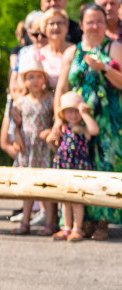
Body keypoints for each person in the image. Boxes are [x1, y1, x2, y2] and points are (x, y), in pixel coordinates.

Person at [53, 2, 122, 240]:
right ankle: (81, 223)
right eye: (90, 21)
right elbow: (61, 87)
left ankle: (103, 220)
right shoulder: (72, 52)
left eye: (100, 21)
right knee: (79, 166)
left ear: (106, 23)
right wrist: (57, 120)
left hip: (105, 119)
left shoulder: (113, 47)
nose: (95, 26)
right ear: (81, 24)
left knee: (104, 165)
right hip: (75, 120)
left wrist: (104, 68)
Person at [10, 55, 55, 235]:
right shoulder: (21, 102)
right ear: (25, 81)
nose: (35, 81)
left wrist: (50, 132)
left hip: (43, 148)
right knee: (27, 186)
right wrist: (16, 136)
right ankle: (25, 221)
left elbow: (56, 120)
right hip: (27, 148)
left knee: (47, 185)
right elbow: (17, 125)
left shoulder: (50, 99)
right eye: (30, 77)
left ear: (44, 79)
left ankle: (51, 222)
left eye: (38, 77)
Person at [49, 91, 99, 241]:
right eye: (69, 111)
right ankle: (66, 227)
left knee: (77, 199)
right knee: (65, 199)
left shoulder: (83, 129)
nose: (73, 114)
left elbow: (94, 130)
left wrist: (84, 114)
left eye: (76, 111)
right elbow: (55, 146)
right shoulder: (63, 129)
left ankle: (77, 228)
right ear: (63, 114)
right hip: (64, 166)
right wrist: (52, 138)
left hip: (78, 167)